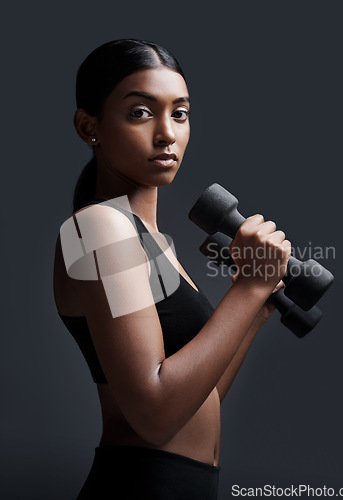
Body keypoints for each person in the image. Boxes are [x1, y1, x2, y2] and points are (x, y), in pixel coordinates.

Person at [53, 39, 291, 499]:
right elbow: (155, 416)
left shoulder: (152, 245)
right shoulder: (101, 228)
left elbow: (200, 399)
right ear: (89, 126)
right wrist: (248, 291)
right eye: (141, 112)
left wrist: (253, 300)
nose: (167, 133)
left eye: (179, 114)